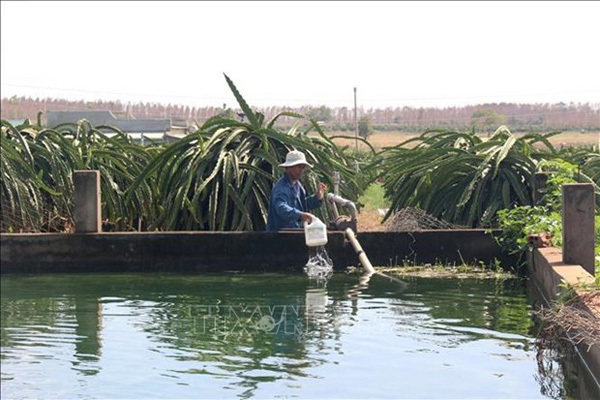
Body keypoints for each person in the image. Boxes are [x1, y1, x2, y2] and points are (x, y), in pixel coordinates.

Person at [266, 150, 327, 231]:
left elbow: (303, 205)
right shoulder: (281, 188)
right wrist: (301, 215)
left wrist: (317, 198)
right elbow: (281, 208)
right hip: (279, 235)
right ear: (288, 168)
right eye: (298, 167)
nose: (301, 170)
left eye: (303, 167)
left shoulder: (298, 186)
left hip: (293, 232)